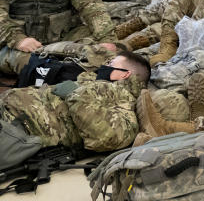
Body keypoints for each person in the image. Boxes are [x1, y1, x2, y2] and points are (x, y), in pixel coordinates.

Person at [0, 50, 150, 152]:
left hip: (20, 129)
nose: (105, 66)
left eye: (111, 64)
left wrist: (76, 95)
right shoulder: (95, 84)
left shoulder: (122, 98)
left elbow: (110, 137)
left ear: (125, 75)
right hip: (13, 114)